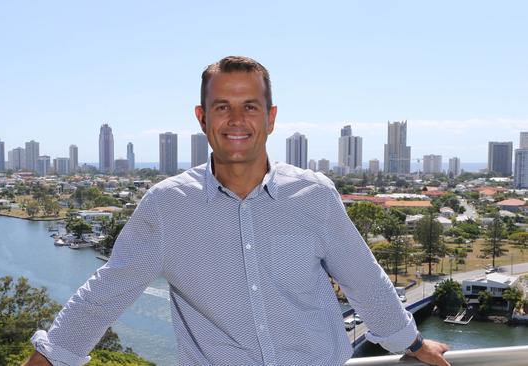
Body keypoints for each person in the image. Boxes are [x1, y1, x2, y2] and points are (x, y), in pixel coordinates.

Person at [24, 56, 450, 366]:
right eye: (222, 106)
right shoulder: (168, 205)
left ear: (271, 117)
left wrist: (410, 344)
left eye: (250, 106)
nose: (236, 119)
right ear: (202, 117)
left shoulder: (313, 195)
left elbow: (363, 278)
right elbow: (106, 292)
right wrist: (50, 357)